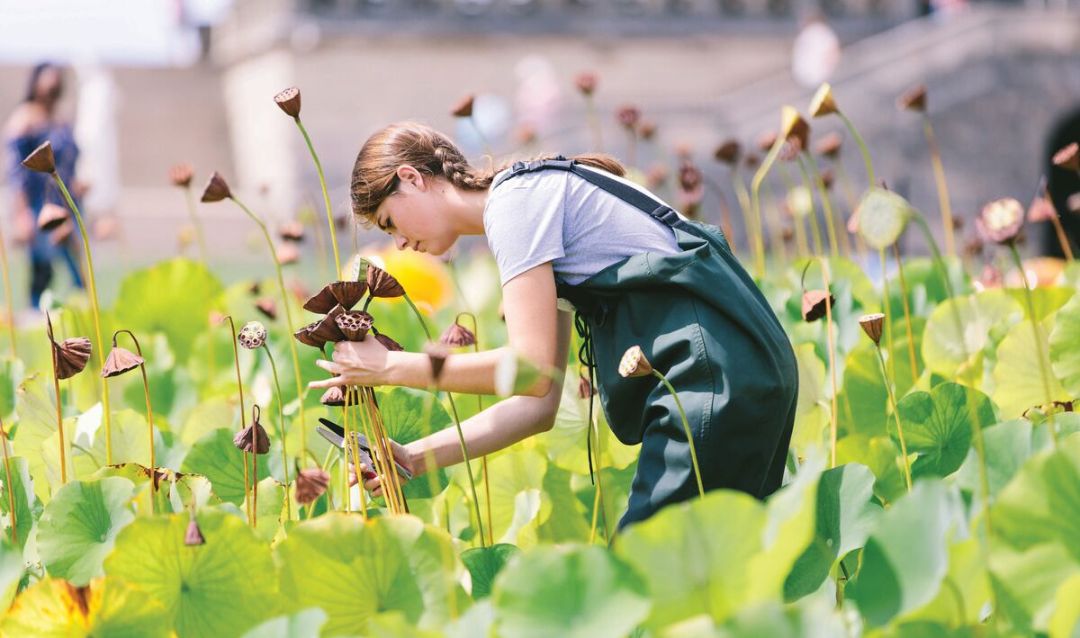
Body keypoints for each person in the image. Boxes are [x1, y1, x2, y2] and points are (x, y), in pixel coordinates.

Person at [309, 122, 798, 531]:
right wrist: (414, 457)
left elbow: (530, 369)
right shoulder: (529, 199)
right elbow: (538, 404)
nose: (399, 245)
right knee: (713, 586)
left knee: (647, 577)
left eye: (390, 222)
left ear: (411, 177)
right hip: (743, 363)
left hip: (709, 376)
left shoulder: (515, 205)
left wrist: (391, 366)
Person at [4, 62, 85, 310]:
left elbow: (71, 161)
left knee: (78, 273)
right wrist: (22, 212)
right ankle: (38, 324)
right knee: (42, 272)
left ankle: (80, 325)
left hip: (68, 204)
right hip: (40, 206)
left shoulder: (60, 119)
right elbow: (16, 171)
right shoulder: (24, 119)